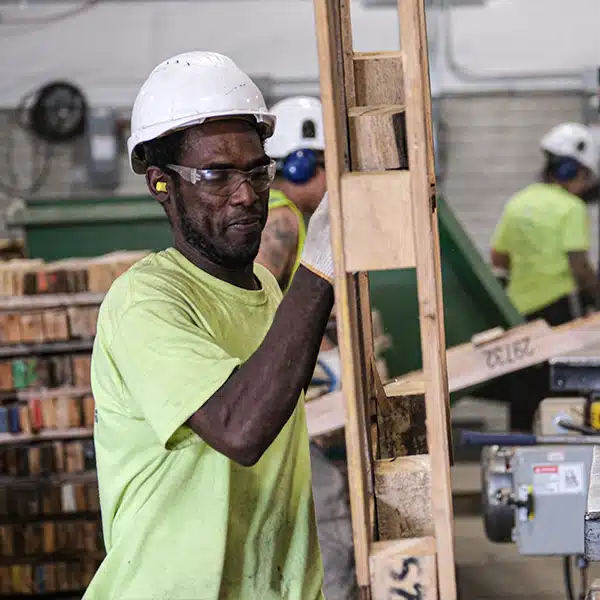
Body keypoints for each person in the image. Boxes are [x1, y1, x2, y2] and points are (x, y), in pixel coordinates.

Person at [84, 51, 335, 600]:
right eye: (216, 175)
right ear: (161, 185)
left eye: (255, 171)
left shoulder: (267, 290)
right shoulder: (146, 302)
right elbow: (238, 430)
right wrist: (318, 269)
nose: (246, 194)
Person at [256, 96, 356, 600]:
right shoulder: (284, 221)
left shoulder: (285, 216)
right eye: (326, 167)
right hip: (280, 399)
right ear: (298, 163)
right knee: (328, 504)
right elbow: (257, 313)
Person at [491, 122, 600, 430]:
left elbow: (499, 257)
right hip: (557, 312)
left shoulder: (519, 202)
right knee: (563, 387)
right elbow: (579, 266)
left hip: (518, 312)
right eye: (584, 176)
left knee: (523, 388)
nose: (585, 184)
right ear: (569, 170)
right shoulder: (570, 208)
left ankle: (518, 448)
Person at [256, 96, 327, 292]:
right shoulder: (280, 219)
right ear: (302, 167)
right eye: (328, 165)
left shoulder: (273, 210)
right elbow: (253, 309)